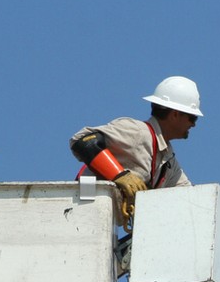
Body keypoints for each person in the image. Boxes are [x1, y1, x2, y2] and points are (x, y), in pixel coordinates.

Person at [69, 76, 202, 206]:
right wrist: (119, 175)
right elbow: (83, 141)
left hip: (99, 217)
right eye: (192, 118)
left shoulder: (168, 160)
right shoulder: (138, 132)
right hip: (82, 207)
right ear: (175, 114)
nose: (193, 125)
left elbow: (189, 195)